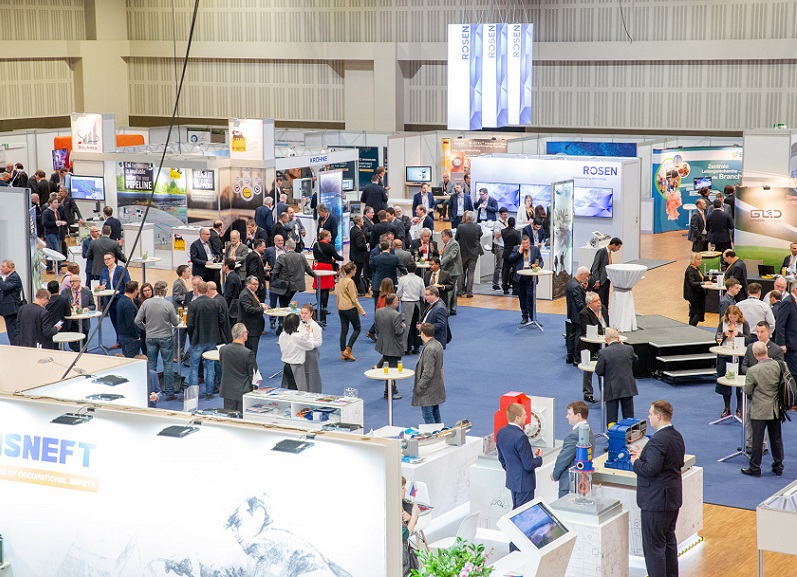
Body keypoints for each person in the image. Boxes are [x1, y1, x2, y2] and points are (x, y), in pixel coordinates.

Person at [629, 400, 685, 577]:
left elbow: (650, 469)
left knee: (654, 548)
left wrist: (636, 462)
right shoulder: (676, 435)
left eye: (651, 413)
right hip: (672, 499)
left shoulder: (658, 440)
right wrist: (645, 454)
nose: (648, 416)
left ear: (658, 416)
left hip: (656, 502)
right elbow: (672, 461)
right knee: (668, 542)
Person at [496, 402, 543, 550]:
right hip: (525, 483)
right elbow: (528, 464)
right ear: (517, 418)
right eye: (524, 415)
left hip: (513, 481)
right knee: (523, 517)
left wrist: (512, 471)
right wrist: (539, 459)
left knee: (517, 512)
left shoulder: (501, 433)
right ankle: (517, 548)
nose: (526, 417)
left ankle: (516, 546)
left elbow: (502, 458)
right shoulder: (521, 437)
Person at [742, 341, 786, 477]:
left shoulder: (753, 371)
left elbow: (747, 390)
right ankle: (778, 466)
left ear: (755, 355)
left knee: (757, 440)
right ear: (766, 351)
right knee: (776, 438)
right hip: (775, 408)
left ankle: (755, 468)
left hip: (759, 410)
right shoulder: (780, 365)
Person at [742, 321, 784, 456]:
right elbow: (744, 366)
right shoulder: (750, 347)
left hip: (771, 398)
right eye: (757, 332)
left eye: (762, 332)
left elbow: (780, 372)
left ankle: (761, 449)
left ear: (768, 332)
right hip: (754, 394)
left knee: (771, 431)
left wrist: (756, 373)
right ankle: (749, 445)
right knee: (750, 419)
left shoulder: (776, 350)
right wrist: (753, 373)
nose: (759, 335)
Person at [135, 281, 180, 400]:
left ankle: (151, 391)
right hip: (165, 336)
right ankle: (170, 393)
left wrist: (146, 328)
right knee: (168, 364)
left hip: (150, 337)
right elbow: (175, 323)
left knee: (152, 364)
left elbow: (137, 320)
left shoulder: (146, 303)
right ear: (164, 291)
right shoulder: (168, 304)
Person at [187, 280, 227, 400]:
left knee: (194, 367)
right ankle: (209, 392)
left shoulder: (193, 304)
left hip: (198, 339)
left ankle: (193, 394)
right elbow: (221, 320)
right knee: (210, 366)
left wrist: (192, 335)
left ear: (197, 290)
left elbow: (190, 324)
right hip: (212, 338)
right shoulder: (215, 303)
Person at [551, 401, 595, 498]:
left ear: (578, 415)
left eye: (569, 414)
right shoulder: (589, 431)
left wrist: (555, 474)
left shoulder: (573, 436)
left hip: (569, 484)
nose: (567, 416)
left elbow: (563, 459)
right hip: (583, 482)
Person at [596, 328, 639, 426]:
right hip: (627, 386)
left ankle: (612, 434)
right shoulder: (629, 348)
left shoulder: (603, 352)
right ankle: (630, 433)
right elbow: (636, 361)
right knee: (629, 417)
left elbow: (599, 371)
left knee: (612, 418)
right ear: (619, 338)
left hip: (612, 389)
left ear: (606, 340)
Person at [716, 304, 750, 418]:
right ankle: (727, 408)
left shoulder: (744, 323)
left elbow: (748, 339)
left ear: (738, 316)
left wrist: (738, 334)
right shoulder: (722, 323)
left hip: (740, 356)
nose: (732, 319)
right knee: (726, 381)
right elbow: (717, 338)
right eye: (730, 317)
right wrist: (725, 335)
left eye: (735, 317)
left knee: (740, 382)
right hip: (725, 355)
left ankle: (739, 408)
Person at [412, 322, 446, 424]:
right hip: (436, 385)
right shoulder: (437, 344)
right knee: (435, 411)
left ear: (422, 334)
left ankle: (432, 432)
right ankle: (439, 431)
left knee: (427, 413)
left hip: (428, 389)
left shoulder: (429, 349)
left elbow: (428, 372)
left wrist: (419, 387)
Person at [219, 323, 258, 412]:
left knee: (229, 416)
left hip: (227, 390)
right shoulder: (248, 353)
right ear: (243, 334)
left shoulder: (223, 350)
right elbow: (253, 374)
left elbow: (223, 365)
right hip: (243, 391)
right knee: (242, 417)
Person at [374, 293, 405, 399]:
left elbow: (376, 328)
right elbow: (398, 331)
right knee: (393, 369)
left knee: (388, 366)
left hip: (383, 344)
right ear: (394, 302)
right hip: (394, 346)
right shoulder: (396, 315)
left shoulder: (378, 311)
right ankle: (388, 392)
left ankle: (393, 388)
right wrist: (403, 327)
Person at [508, 235, 544, 325]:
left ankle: (533, 317)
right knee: (522, 298)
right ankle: (524, 316)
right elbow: (510, 259)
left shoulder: (535, 249)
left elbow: (541, 260)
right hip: (519, 277)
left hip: (531, 277)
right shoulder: (516, 249)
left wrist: (539, 266)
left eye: (527, 243)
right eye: (523, 243)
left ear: (529, 242)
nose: (525, 245)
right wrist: (519, 253)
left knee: (530, 297)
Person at [98, 252, 131, 349]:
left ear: (114, 259)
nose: (106, 261)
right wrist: (101, 288)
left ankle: (127, 340)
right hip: (109, 299)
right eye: (105, 259)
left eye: (108, 259)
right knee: (114, 321)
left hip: (120, 298)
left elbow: (128, 283)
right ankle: (119, 340)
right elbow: (101, 283)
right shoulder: (104, 271)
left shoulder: (121, 270)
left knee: (123, 321)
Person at [578, 292, 605, 404]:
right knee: (588, 370)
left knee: (603, 369)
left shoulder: (603, 309)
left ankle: (604, 392)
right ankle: (588, 393)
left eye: (599, 300)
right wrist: (604, 331)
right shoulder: (584, 313)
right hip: (590, 346)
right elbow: (587, 329)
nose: (599, 303)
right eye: (596, 301)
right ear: (589, 303)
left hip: (604, 345)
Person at [272, 238, 315, 307]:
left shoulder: (282, 257)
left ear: (286, 247)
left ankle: (284, 313)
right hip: (297, 285)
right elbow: (308, 270)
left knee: (283, 304)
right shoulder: (301, 256)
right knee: (286, 302)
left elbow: (275, 271)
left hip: (285, 285)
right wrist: (317, 276)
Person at [337, 262, 366, 362]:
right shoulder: (350, 282)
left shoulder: (341, 281)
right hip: (350, 308)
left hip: (341, 308)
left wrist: (338, 307)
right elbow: (354, 299)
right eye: (355, 270)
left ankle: (343, 352)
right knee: (357, 328)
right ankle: (348, 349)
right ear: (352, 271)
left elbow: (338, 296)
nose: (356, 272)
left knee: (344, 331)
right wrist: (361, 310)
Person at [312, 229, 343, 323]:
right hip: (326, 267)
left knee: (319, 287)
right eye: (329, 236)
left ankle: (319, 305)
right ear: (325, 237)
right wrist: (342, 258)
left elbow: (315, 255)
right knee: (325, 288)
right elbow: (337, 257)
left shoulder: (316, 245)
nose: (331, 237)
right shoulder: (330, 246)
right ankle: (324, 307)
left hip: (317, 266)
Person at [278, 312, 315, 391]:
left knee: (288, 388)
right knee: (299, 390)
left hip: (286, 365)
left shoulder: (282, 334)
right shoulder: (298, 337)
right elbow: (310, 346)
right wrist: (310, 334)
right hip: (296, 367)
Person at [590, 237, 622, 323]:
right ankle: (598, 319)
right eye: (618, 247)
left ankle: (605, 320)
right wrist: (597, 280)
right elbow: (595, 267)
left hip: (606, 281)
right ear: (613, 245)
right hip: (601, 282)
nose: (618, 249)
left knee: (605, 302)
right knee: (599, 301)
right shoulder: (601, 252)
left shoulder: (609, 253)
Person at [61, 275, 97, 351]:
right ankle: (81, 352)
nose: (72, 283)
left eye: (74, 281)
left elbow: (93, 306)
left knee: (83, 344)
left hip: (83, 321)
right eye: (70, 281)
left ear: (79, 282)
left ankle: (83, 353)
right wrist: (68, 308)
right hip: (71, 322)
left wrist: (87, 308)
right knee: (72, 344)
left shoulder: (87, 292)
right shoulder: (65, 292)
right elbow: (62, 305)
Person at [398, 261, 426, 355]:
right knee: (416, 325)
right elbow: (423, 293)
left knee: (406, 326)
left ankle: (407, 347)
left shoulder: (402, 280)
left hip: (406, 304)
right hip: (417, 304)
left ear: (406, 269)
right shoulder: (420, 279)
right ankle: (417, 346)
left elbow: (399, 293)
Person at [454, 211, 483, 298]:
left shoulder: (460, 227)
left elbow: (456, 238)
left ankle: (459, 290)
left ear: (466, 218)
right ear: (473, 218)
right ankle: (469, 292)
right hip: (474, 253)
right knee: (471, 272)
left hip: (463, 252)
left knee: (461, 271)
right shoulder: (477, 227)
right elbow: (480, 235)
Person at [565, 267, 590, 364]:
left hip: (572, 314)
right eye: (586, 276)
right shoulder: (577, 286)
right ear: (581, 274)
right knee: (578, 337)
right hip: (578, 315)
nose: (587, 278)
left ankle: (570, 355)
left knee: (572, 335)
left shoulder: (570, 282)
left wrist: (584, 289)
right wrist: (587, 312)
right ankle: (576, 358)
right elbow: (580, 303)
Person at [297, 304, 324, 393]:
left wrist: (308, 344)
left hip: (312, 353)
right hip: (300, 353)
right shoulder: (299, 324)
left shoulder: (315, 326)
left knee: (312, 375)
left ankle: (314, 393)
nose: (303, 315)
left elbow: (318, 342)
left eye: (306, 313)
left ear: (311, 313)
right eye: (302, 313)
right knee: (302, 375)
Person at [238, 275, 266, 356]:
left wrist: (259, 305)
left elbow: (252, 305)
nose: (256, 286)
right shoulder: (245, 294)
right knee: (251, 352)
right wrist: (262, 309)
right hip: (251, 328)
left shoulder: (251, 292)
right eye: (254, 284)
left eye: (257, 284)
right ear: (248, 284)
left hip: (254, 327)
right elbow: (249, 309)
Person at [775, 282, 797, 376]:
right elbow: (780, 324)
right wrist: (781, 343)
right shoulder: (787, 302)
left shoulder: (794, 301)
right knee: (793, 373)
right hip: (789, 345)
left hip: (794, 344)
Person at [0, 259, 24, 346]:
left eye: (3, 266)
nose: (1, 268)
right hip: (8, 310)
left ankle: (16, 348)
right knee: (11, 331)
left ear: (10, 267)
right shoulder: (10, 277)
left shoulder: (14, 277)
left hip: (12, 310)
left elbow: (6, 287)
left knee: (13, 331)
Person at [115, 281, 141, 358]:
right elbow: (130, 323)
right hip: (130, 337)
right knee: (132, 359)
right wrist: (136, 336)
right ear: (135, 290)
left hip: (122, 335)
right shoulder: (128, 304)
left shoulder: (121, 300)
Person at [439, 229, 462, 314]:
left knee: (449, 291)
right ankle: (452, 309)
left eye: (443, 236)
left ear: (447, 236)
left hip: (453, 270)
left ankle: (447, 310)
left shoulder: (454, 243)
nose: (442, 238)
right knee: (452, 290)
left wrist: (440, 262)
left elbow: (451, 256)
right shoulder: (448, 244)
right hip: (449, 270)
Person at [419, 285, 449, 350]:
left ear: (434, 295)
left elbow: (441, 324)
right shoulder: (432, 304)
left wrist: (425, 327)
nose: (425, 297)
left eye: (427, 295)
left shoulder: (440, 308)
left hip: (435, 340)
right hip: (430, 338)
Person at [42, 197, 66, 273]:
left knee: (50, 250)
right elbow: (44, 223)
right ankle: (59, 269)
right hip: (50, 234)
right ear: (50, 203)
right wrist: (55, 223)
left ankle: (49, 268)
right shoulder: (46, 212)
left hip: (57, 233)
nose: (57, 204)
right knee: (57, 250)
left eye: (57, 202)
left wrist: (60, 223)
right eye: (55, 202)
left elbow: (58, 220)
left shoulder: (57, 212)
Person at [682, 253, 707, 326]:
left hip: (698, 294)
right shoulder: (690, 270)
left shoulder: (696, 268)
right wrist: (703, 283)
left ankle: (690, 327)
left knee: (694, 312)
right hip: (694, 296)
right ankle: (692, 326)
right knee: (698, 313)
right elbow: (692, 283)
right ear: (693, 260)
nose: (700, 261)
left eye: (700, 259)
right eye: (698, 259)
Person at [488, 207, 510, 291]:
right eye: (504, 214)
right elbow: (496, 235)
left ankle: (505, 283)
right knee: (499, 265)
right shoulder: (497, 223)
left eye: (506, 214)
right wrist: (505, 230)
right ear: (500, 214)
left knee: (506, 266)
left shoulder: (506, 222)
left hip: (506, 245)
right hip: (499, 245)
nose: (506, 216)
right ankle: (495, 283)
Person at [349, 215, 369, 295]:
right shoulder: (358, 232)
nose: (363, 221)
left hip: (354, 255)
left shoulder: (353, 229)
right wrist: (366, 246)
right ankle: (360, 290)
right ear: (359, 222)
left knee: (356, 273)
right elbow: (359, 245)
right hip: (359, 256)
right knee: (357, 274)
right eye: (362, 220)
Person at [501, 217, 521, 295]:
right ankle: (514, 288)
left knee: (505, 271)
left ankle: (505, 287)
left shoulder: (503, 231)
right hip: (514, 254)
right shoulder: (517, 233)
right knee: (514, 271)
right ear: (514, 224)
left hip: (506, 253)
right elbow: (519, 243)